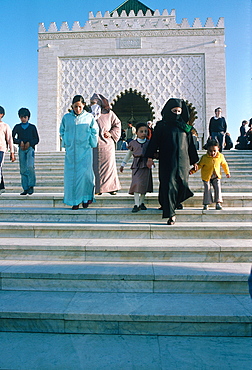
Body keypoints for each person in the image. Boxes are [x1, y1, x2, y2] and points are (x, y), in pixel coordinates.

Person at [146, 98, 199, 225]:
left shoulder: (186, 128)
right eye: (174, 110)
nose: (176, 113)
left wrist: (195, 161)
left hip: (183, 161)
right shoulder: (162, 125)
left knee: (182, 183)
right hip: (167, 160)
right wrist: (149, 157)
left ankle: (172, 203)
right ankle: (171, 214)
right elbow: (154, 142)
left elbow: (191, 145)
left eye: (179, 111)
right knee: (169, 183)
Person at [59, 95, 99, 209]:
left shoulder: (89, 117)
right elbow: (62, 130)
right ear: (72, 106)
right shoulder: (67, 118)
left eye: (80, 107)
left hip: (85, 151)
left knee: (86, 175)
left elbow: (94, 130)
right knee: (72, 177)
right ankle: (74, 201)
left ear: (84, 106)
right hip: (71, 153)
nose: (78, 109)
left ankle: (86, 198)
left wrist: (90, 143)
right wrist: (67, 142)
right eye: (75, 107)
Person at [90, 93, 121, 195]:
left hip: (107, 145)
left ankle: (111, 188)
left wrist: (111, 133)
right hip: (94, 145)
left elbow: (117, 124)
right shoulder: (89, 115)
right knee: (95, 167)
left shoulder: (109, 113)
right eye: (91, 103)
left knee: (109, 167)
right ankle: (98, 189)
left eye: (94, 103)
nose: (92, 105)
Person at [120, 123, 153, 213]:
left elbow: (152, 154)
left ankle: (141, 203)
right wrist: (123, 164)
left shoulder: (149, 143)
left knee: (144, 185)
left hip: (146, 165)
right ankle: (136, 204)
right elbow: (129, 154)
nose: (143, 133)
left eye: (145, 131)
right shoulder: (133, 143)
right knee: (136, 184)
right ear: (137, 133)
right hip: (136, 165)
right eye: (141, 131)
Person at [190, 139, 230, 210]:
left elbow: (224, 164)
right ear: (207, 150)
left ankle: (218, 203)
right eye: (210, 151)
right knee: (207, 189)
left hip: (216, 176)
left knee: (217, 188)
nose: (212, 153)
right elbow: (199, 165)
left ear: (218, 149)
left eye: (214, 151)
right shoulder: (204, 157)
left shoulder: (220, 156)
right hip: (206, 176)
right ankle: (206, 203)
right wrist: (192, 171)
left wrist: (227, 173)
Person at [12, 108, 39, 195]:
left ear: (28, 117)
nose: (23, 119)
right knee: (23, 168)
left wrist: (29, 143)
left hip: (30, 148)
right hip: (21, 149)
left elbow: (37, 139)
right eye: (21, 117)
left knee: (30, 166)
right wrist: (19, 142)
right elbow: (11, 137)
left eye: (25, 117)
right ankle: (25, 188)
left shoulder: (32, 127)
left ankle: (31, 185)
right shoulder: (17, 127)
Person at [0, 106, 16, 194]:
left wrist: (12, 152)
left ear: (1, 114)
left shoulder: (5, 126)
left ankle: (1, 186)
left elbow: (10, 139)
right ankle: (1, 186)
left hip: (1, 149)